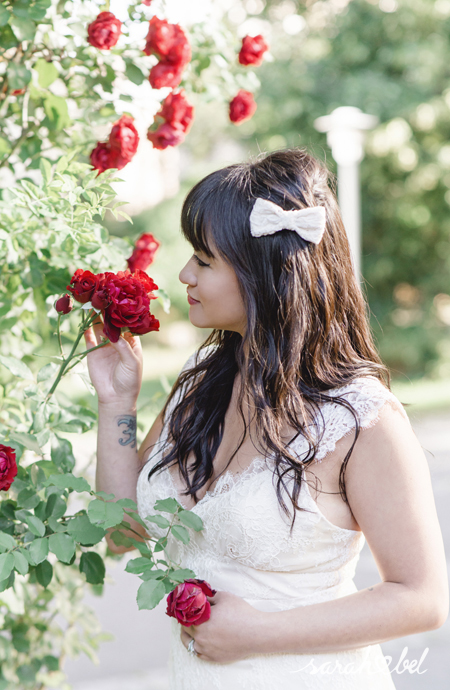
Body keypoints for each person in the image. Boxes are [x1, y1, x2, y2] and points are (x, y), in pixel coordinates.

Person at [84, 149, 448, 689]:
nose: (184, 273)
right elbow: (121, 533)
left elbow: (422, 599)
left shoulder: (361, 418)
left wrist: (259, 633)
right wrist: (117, 404)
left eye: (204, 261)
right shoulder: (200, 382)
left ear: (265, 274)